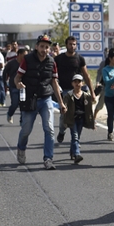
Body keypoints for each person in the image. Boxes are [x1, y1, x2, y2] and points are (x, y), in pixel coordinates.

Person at [14, 34, 66, 170]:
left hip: (46, 99)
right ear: (36, 47)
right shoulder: (27, 60)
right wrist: (19, 84)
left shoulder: (51, 62)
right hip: (30, 99)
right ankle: (21, 148)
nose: (44, 49)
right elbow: (17, 77)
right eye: (42, 46)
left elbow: (54, 82)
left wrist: (61, 103)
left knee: (49, 129)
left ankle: (48, 159)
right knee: (26, 130)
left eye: (47, 47)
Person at [55, 36, 94, 144]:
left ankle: (75, 141)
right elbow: (53, 74)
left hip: (78, 91)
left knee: (78, 115)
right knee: (64, 114)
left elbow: (86, 76)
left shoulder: (79, 59)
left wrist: (92, 92)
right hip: (64, 91)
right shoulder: (59, 59)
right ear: (66, 45)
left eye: (74, 44)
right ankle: (62, 131)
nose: (72, 46)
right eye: (70, 44)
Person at [62, 74, 95, 164]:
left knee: (77, 137)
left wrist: (92, 122)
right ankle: (77, 154)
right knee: (75, 136)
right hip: (72, 119)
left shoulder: (86, 96)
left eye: (79, 82)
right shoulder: (69, 95)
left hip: (81, 119)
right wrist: (64, 108)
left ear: (82, 83)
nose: (77, 84)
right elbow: (64, 104)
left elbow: (89, 110)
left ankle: (72, 151)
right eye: (75, 82)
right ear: (72, 83)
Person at [4, 48, 26, 124]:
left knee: (23, 105)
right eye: (24, 54)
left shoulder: (26, 63)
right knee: (15, 104)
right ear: (19, 54)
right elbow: (5, 72)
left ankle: (22, 121)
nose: (26, 56)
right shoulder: (11, 63)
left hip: (23, 87)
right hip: (13, 86)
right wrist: (4, 83)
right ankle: (10, 114)